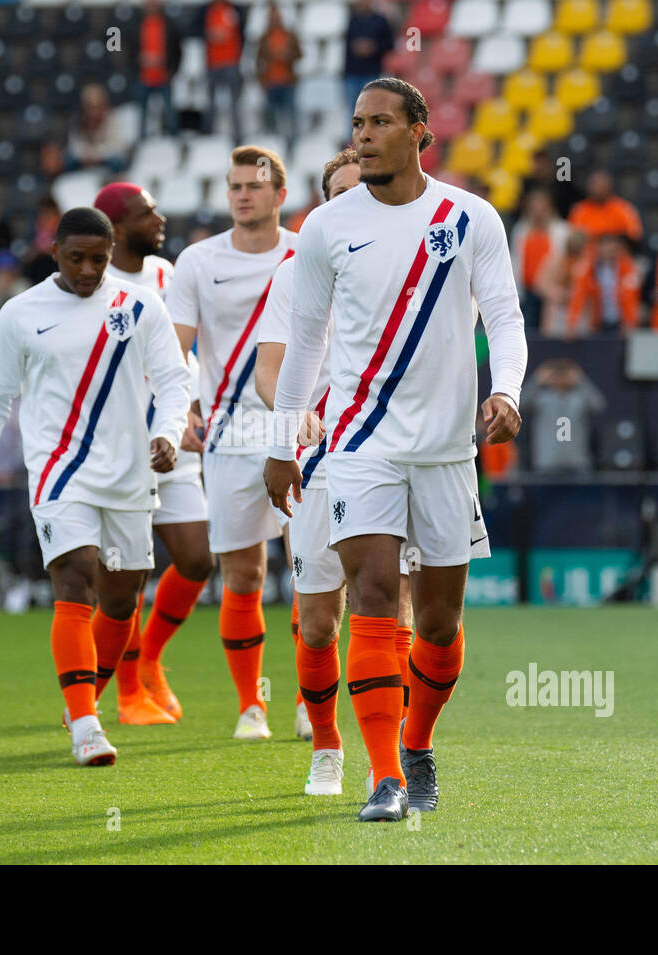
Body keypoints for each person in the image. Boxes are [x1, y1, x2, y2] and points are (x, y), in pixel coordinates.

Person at [264, 78, 526, 821]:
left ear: (420, 132)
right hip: (357, 444)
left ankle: (416, 740)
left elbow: (504, 318)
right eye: (357, 123)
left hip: (445, 449)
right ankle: (384, 776)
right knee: (375, 592)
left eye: (381, 121)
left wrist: (507, 390)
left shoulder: (469, 218)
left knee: (438, 622)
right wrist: (283, 439)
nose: (364, 134)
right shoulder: (324, 226)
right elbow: (307, 341)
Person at [0, 207, 192, 767]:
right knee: (76, 575)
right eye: (76, 258)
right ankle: (86, 726)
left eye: (99, 259)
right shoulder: (21, 313)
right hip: (59, 472)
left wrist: (167, 433)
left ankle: (85, 697)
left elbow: (174, 382)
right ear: (54, 252)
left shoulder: (140, 305)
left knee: (121, 595)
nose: (88, 270)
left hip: (131, 475)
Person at [255, 146, 418, 795]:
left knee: (394, 603)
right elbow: (271, 367)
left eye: (366, 187)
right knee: (320, 618)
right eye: (342, 192)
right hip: (319, 457)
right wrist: (293, 421)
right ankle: (326, 745)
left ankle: (396, 753)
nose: (356, 200)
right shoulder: (297, 272)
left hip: (388, 453)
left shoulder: (413, 259)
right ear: (324, 204)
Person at [167, 145, 297, 742]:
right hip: (228, 427)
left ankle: (306, 697)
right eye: (235, 185)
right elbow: (176, 349)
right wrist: (183, 405)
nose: (243, 194)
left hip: (301, 423)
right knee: (242, 572)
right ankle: (252, 706)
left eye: (255, 185)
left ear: (280, 194)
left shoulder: (304, 252)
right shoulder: (197, 260)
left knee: (313, 565)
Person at [94, 182, 211, 725]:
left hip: (175, 443)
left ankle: (151, 661)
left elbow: (189, 353)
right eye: (147, 212)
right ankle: (122, 693)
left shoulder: (168, 274)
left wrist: (192, 408)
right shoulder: (94, 282)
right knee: (128, 574)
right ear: (117, 228)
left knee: (195, 559)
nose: (160, 217)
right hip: (121, 450)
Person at [521, 358, 605, 473]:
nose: (560, 378)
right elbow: (520, 403)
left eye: (564, 374)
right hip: (546, 464)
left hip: (577, 463)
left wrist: (581, 380)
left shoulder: (579, 399)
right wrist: (537, 380)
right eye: (556, 374)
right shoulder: (541, 398)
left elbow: (599, 404)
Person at [509, 188, 569, 329]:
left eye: (542, 206)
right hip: (528, 291)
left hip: (552, 291)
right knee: (528, 329)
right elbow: (516, 260)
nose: (538, 211)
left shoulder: (562, 230)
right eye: (534, 207)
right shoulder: (521, 230)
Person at [565, 231, 640, 334]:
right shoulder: (588, 269)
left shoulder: (627, 268)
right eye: (604, 244)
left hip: (619, 322)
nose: (608, 248)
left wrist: (630, 322)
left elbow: (631, 297)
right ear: (598, 247)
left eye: (611, 243)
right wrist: (572, 323)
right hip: (597, 322)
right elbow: (578, 295)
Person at [256, 3, 302, 146]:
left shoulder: (289, 35)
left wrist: (287, 55)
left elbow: (299, 55)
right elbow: (258, 61)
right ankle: (274, 145)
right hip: (271, 82)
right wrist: (261, 80)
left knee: (290, 117)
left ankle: (292, 146)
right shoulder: (264, 38)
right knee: (271, 119)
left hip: (287, 81)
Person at [201, 0, 245, 144]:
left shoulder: (233, 11)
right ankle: (209, 136)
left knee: (235, 103)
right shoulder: (207, 11)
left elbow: (230, 33)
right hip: (213, 63)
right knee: (210, 103)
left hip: (230, 62)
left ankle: (237, 137)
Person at [137, 0, 182, 137]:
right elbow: (129, 48)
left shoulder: (170, 24)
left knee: (169, 113)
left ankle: (173, 141)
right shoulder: (137, 24)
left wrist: (171, 71)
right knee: (142, 114)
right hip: (143, 77)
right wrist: (139, 60)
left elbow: (177, 51)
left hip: (164, 76)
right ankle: (141, 142)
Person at [566, 170, 643, 249]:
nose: (594, 188)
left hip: (617, 255)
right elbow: (572, 239)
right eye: (592, 184)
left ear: (609, 186)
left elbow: (635, 237)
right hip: (588, 255)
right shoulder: (579, 210)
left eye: (599, 185)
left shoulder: (623, 208)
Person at [343, 0, 393, 116]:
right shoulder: (352, 20)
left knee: (372, 108)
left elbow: (390, 44)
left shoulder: (381, 21)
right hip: (352, 72)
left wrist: (373, 47)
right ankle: (354, 134)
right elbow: (347, 45)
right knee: (353, 109)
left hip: (372, 72)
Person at [65, 83, 128, 173]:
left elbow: (117, 146)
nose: (94, 112)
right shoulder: (77, 120)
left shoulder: (113, 118)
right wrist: (86, 154)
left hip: (106, 159)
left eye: (97, 107)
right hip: (85, 159)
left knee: (117, 161)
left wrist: (96, 154)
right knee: (69, 160)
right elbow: (75, 146)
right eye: (90, 107)